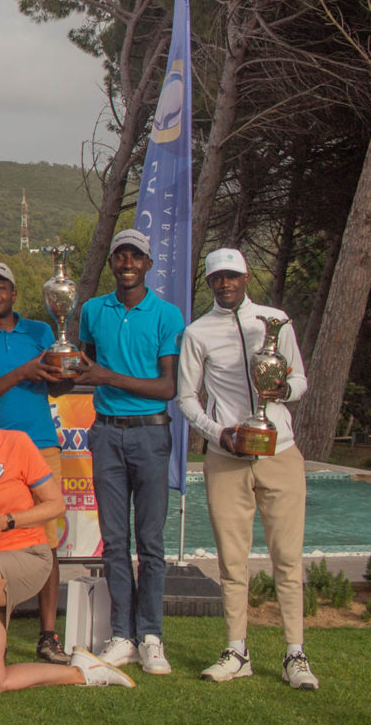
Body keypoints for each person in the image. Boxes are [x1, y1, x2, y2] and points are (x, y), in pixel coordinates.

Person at [0, 375, 133, 718]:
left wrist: (6, 521)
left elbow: (56, 505)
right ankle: (83, 672)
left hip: (26, 555)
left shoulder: (16, 443)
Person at [177, 248, 317, 689]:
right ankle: (237, 651)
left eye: (232, 276)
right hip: (226, 458)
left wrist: (281, 390)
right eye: (217, 278)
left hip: (281, 453)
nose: (225, 284)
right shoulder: (198, 332)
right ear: (209, 282)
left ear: (246, 276)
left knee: (287, 560)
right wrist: (220, 434)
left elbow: (300, 381)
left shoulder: (276, 321)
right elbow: (186, 398)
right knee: (232, 563)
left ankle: (295, 653)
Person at [75, 229, 184, 675]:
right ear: (113, 262)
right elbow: (81, 369)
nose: (126, 262)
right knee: (114, 541)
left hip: (150, 433)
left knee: (151, 542)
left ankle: (151, 635)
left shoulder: (166, 314)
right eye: (120, 254)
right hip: (106, 433)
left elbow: (166, 387)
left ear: (147, 264)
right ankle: (122, 634)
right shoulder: (92, 310)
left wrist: (108, 376)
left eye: (135, 255)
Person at [0, 261, 74, 664]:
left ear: (14, 293)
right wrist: (23, 371)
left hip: (40, 444)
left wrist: (68, 371)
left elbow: (61, 382)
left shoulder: (42, 331)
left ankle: (48, 634)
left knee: (46, 538)